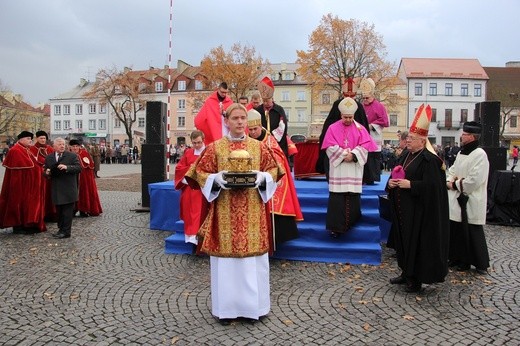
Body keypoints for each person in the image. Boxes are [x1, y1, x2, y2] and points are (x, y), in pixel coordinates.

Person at [185, 103, 283, 325]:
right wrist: (215, 180)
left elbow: (275, 171)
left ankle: (253, 309)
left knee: (252, 263)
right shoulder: (215, 148)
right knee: (226, 266)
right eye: (235, 118)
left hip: (252, 216)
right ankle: (226, 310)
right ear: (227, 121)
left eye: (243, 118)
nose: (240, 122)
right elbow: (198, 173)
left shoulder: (259, 148)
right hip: (225, 214)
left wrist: (262, 178)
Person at [386, 104, 449, 293]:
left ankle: (415, 279)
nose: (408, 142)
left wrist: (411, 185)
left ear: (422, 141)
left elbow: (434, 187)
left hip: (419, 212)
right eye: (408, 139)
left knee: (416, 244)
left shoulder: (430, 160)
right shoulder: (405, 155)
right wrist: (390, 184)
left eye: (412, 139)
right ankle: (405, 272)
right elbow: (395, 173)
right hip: (402, 208)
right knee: (403, 242)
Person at [321, 97, 377, 238]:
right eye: (345, 117)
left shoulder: (360, 128)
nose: (348, 120)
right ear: (341, 115)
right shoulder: (332, 128)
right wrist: (342, 154)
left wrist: (353, 155)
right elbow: (328, 146)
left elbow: (366, 146)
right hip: (338, 170)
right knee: (337, 199)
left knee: (352, 197)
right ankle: (336, 228)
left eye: (350, 117)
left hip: (353, 169)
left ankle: (351, 223)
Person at [247, 109, 303, 246]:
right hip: (253, 180)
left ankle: (276, 240)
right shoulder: (246, 141)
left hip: (270, 179)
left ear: (261, 127)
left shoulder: (270, 141)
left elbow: (278, 160)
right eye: (250, 130)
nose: (253, 132)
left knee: (275, 208)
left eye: (255, 129)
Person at [446, 121, 490, 274]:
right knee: (457, 230)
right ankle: (458, 258)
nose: (461, 136)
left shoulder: (480, 155)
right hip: (457, 197)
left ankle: (479, 262)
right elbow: (452, 169)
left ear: (472, 137)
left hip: (471, 198)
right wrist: (449, 180)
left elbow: (475, 179)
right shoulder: (461, 152)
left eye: (464, 135)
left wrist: (455, 185)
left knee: (472, 231)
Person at [316, 77, 370, 180]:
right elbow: (329, 127)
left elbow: (364, 131)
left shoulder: (358, 106)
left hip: (354, 144)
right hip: (338, 144)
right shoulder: (338, 105)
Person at [0, 131, 46, 234]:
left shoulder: (26, 149)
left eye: (30, 139)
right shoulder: (15, 150)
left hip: (28, 185)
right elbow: (19, 170)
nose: (30, 141)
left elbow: (34, 165)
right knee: (18, 203)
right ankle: (18, 226)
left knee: (26, 204)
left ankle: (26, 224)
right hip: (19, 185)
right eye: (28, 139)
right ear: (21, 140)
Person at [174, 130, 208, 247]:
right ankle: (191, 238)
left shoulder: (208, 151)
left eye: (199, 142)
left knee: (200, 213)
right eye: (194, 143)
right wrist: (191, 169)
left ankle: (202, 239)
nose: (197, 145)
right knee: (189, 213)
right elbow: (179, 168)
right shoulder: (188, 153)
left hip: (203, 189)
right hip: (190, 188)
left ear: (203, 140)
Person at [43, 137, 82, 239]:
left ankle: (66, 232)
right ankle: (61, 229)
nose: (62, 146)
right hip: (56, 189)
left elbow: (79, 168)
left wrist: (67, 167)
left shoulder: (72, 156)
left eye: (63, 144)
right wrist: (46, 173)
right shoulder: (49, 157)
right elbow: (45, 171)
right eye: (59, 144)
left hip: (69, 189)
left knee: (67, 212)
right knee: (59, 212)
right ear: (54, 146)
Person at [360, 78, 389, 184]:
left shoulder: (379, 106)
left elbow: (384, 121)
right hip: (363, 136)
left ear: (372, 95)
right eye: (364, 98)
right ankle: (363, 178)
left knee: (372, 158)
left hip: (373, 135)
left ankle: (372, 178)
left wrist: (371, 126)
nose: (365, 100)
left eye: (367, 98)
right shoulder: (361, 106)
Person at [255, 76, 289, 158]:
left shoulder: (279, 110)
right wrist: (264, 137)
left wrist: (272, 138)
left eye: (267, 100)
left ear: (272, 98)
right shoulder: (258, 110)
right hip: (261, 142)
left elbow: (283, 126)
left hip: (278, 143)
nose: (265, 103)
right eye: (264, 101)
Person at [69, 139, 103, 217]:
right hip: (71, 179)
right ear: (70, 147)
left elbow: (89, 166)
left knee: (83, 193)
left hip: (83, 179)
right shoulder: (68, 154)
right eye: (73, 146)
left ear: (79, 146)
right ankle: (73, 209)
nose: (75, 148)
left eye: (76, 146)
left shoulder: (84, 153)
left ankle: (84, 209)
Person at [29, 130, 57, 222]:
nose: (43, 140)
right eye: (41, 138)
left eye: (44, 138)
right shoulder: (32, 149)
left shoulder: (50, 149)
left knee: (51, 194)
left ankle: (52, 213)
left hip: (51, 176)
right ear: (37, 138)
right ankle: (41, 214)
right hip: (40, 177)